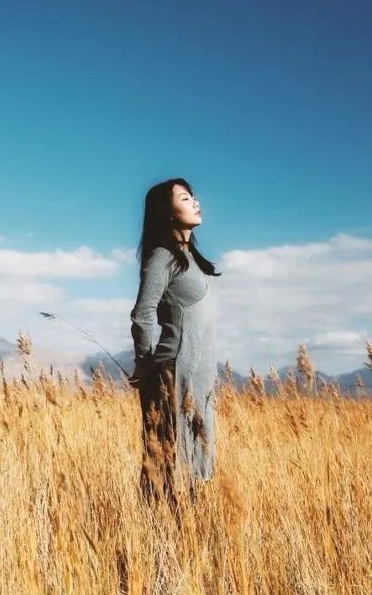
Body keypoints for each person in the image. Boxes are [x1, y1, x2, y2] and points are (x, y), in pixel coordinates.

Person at [127, 178, 222, 510]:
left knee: (197, 459)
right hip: (175, 370)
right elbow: (143, 313)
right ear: (167, 212)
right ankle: (159, 537)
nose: (195, 202)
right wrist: (144, 363)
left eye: (193, 196)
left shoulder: (188, 257)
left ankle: (190, 536)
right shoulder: (162, 257)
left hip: (199, 376)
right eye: (185, 198)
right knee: (170, 461)